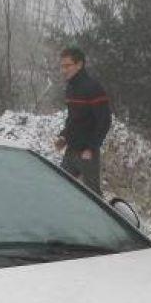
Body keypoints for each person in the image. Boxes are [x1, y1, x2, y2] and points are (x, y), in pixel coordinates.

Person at [55, 47, 111, 194]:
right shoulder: (70, 88)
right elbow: (73, 118)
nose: (64, 70)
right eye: (62, 66)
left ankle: (102, 217)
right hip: (71, 150)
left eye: (67, 66)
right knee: (60, 189)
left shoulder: (93, 88)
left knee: (93, 196)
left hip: (87, 154)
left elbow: (104, 121)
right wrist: (64, 136)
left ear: (79, 65)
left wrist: (91, 148)